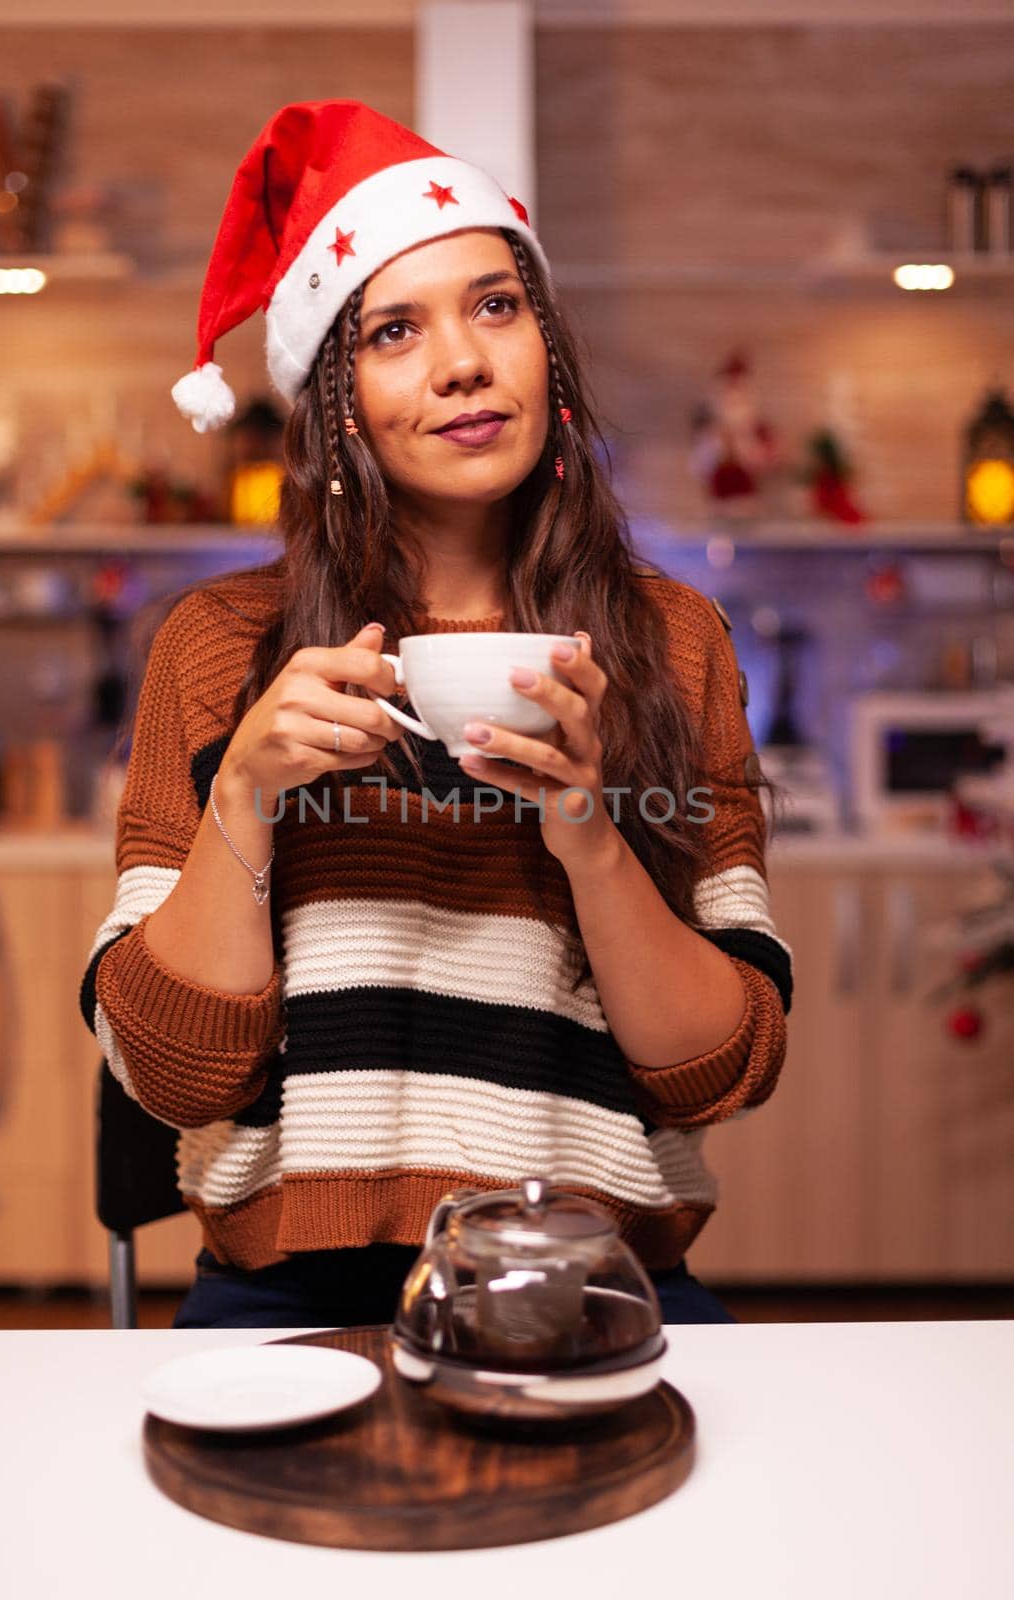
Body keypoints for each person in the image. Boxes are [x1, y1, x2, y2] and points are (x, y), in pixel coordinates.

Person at [79, 100, 792, 1331]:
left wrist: (587, 830)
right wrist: (244, 796)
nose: (462, 360)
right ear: (334, 401)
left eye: (495, 305)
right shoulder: (217, 650)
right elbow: (171, 1073)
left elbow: (720, 1073)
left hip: (591, 1281)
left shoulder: (672, 644)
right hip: (286, 1292)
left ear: (546, 355)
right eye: (395, 329)